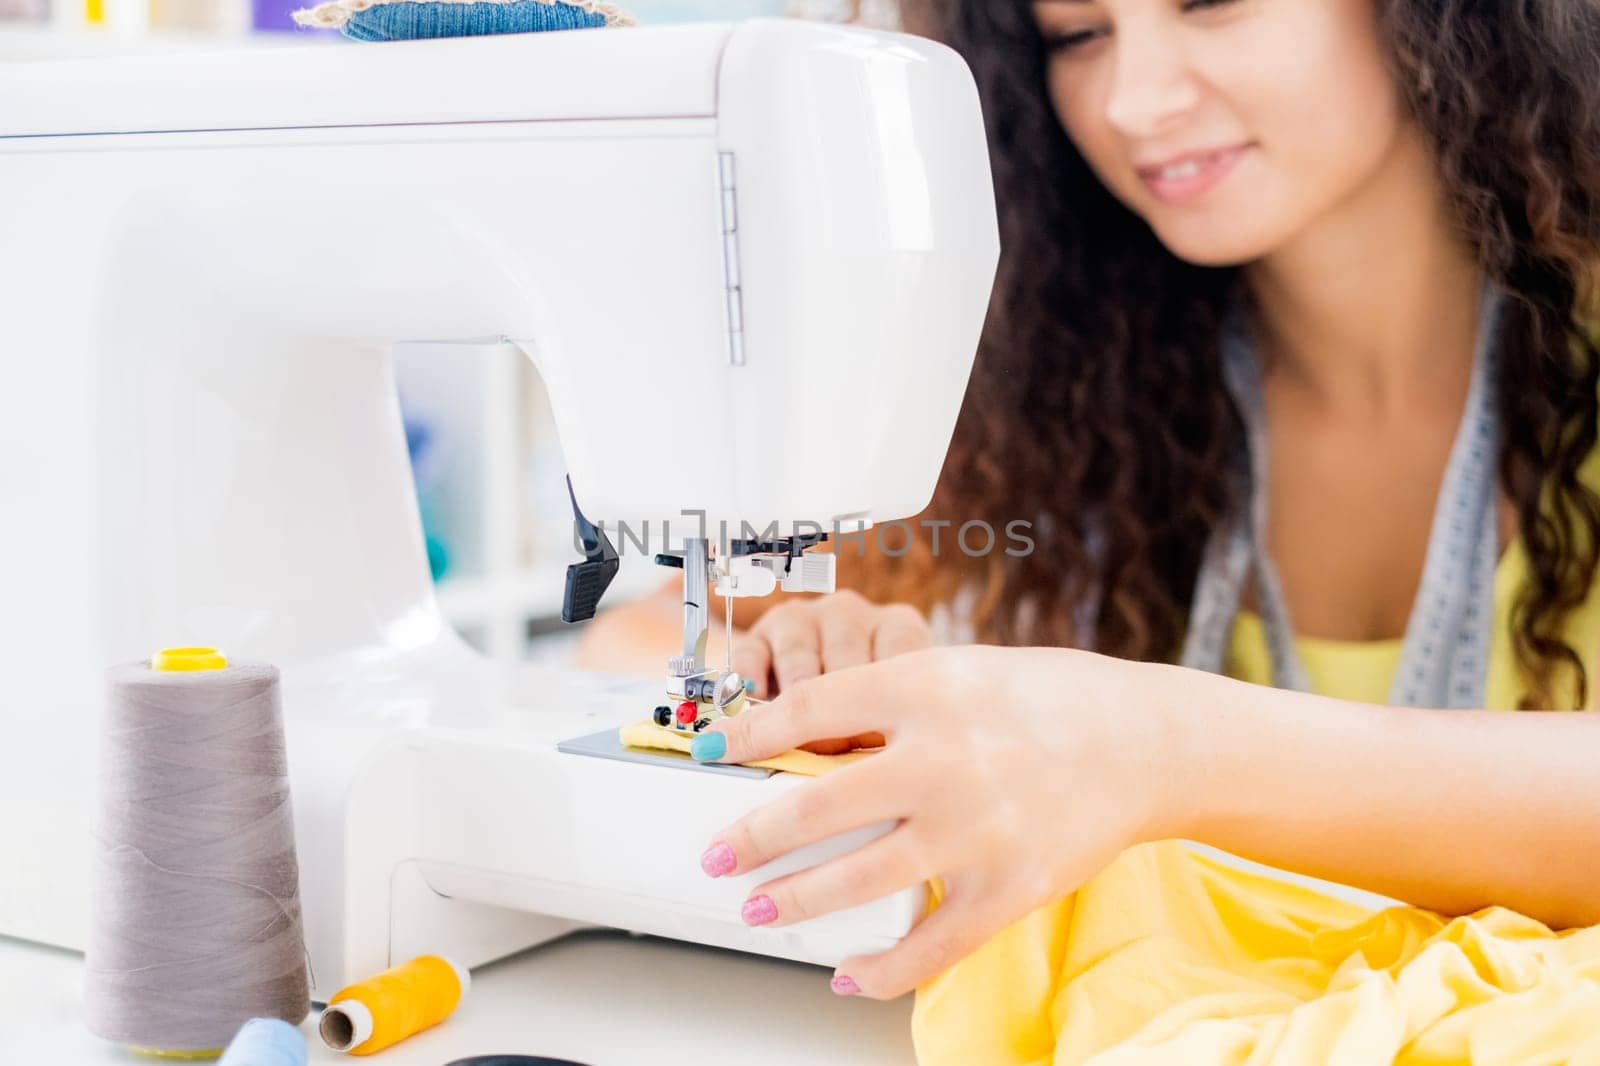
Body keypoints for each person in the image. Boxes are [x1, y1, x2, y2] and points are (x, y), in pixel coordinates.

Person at [576, 0, 1600, 1008]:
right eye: (1076, 35)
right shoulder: (1061, 396)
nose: (1132, 101)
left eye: (1210, 3)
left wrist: (1163, 747)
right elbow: (624, 649)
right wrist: (801, 659)